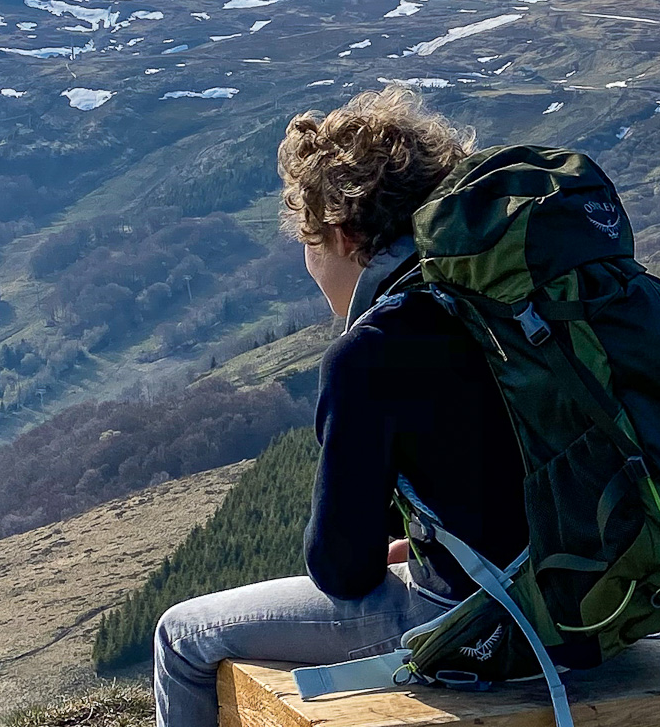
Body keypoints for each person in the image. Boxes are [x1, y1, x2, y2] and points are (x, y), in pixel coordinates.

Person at [153, 88, 528, 727]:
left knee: (180, 637)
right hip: (593, 600)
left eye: (308, 239)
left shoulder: (373, 350)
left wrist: (406, 551)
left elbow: (342, 570)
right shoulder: (510, 308)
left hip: (481, 619)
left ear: (342, 231)